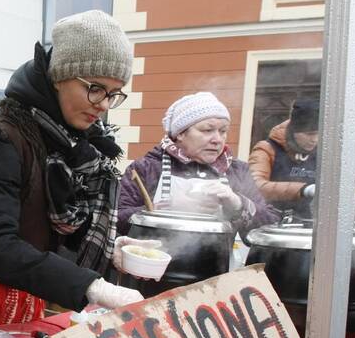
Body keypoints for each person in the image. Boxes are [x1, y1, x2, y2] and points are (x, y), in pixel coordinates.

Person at [0, 10, 154, 324]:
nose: (104, 104)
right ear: (59, 78)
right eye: (95, 88)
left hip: (22, 294)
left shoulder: (74, 147)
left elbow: (50, 230)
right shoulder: (0, 139)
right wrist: (91, 286)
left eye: (113, 93)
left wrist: (113, 249)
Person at [117, 92, 279, 235]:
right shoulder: (146, 169)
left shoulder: (238, 171)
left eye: (223, 131)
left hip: (222, 268)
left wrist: (238, 204)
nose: (217, 140)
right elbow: (115, 221)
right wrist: (165, 208)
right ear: (180, 133)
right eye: (207, 130)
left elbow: (269, 225)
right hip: (152, 265)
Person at [248, 98, 319, 216]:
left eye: (318, 134)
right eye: (309, 134)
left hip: (310, 223)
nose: (314, 140)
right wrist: (304, 190)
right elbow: (255, 185)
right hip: (270, 221)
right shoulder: (266, 149)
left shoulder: (322, 153)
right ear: (294, 131)